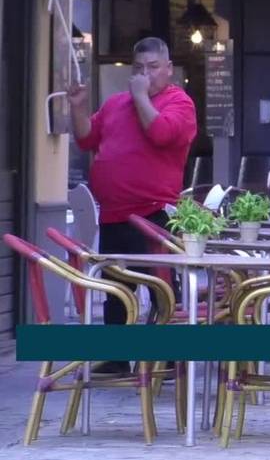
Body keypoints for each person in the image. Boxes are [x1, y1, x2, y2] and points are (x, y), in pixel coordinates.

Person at [69, 37, 196, 374]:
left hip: (154, 211)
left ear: (168, 69)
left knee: (161, 286)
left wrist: (141, 96)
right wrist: (79, 108)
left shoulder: (179, 103)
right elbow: (86, 139)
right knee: (116, 288)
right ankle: (117, 356)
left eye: (153, 68)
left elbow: (162, 134)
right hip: (114, 212)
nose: (145, 75)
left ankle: (169, 357)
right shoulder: (114, 104)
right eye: (139, 68)